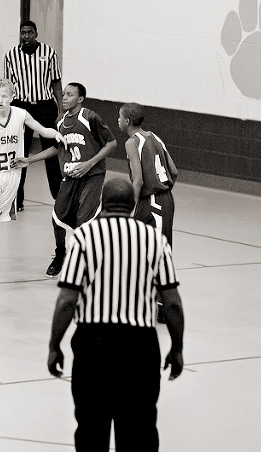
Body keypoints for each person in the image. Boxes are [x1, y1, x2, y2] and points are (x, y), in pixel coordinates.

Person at [47, 177, 185, 452]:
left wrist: (54, 345)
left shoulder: (84, 237)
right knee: (139, 432)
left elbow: (66, 301)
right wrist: (177, 348)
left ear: (102, 203)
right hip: (140, 346)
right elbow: (172, 303)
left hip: (93, 344)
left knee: (91, 430)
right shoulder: (154, 240)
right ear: (133, 204)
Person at [0, 78, 65, 271]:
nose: (1, 100)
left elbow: (42, 130)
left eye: (4, 96)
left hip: (13, 175)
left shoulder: (20, 114)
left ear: (12, 97)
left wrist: (56, 134)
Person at [14, 82, 117, 276]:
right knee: (58, 217)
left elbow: (111, 143)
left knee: (84, 218)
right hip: (70, 176)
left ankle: (89, 259)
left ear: (80, 98)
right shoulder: (60, 121)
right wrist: (29, 160)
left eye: (70, 95)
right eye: (64, 94)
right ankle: (60, 253)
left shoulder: (90, 117)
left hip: (92, 175)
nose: (65, 98)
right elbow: (57, 148)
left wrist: (89, 164)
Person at [3, 20, 63, 211]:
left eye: (30, 32)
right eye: (23, 32)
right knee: (20, 152)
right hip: (20, 106)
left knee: (52, 152)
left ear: (36, 34)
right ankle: (16, 199)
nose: (26, 36)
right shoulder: (11, 55)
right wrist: (6, 111)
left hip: (45, 106)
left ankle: (60, 198)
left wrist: (61, 109)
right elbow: (7, 86)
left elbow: (56, 82)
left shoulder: (49, 53)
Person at [118, 102, 178, 249]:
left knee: (153, 250)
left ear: (127, 121)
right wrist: (163, 189)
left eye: (120, 117)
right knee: (150, 248)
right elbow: (174, 171)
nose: (118, 120)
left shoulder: (131, 143)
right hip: (165, 199)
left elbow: (138, 180)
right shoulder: (154, 137)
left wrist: (129, 207)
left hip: (151, 201)